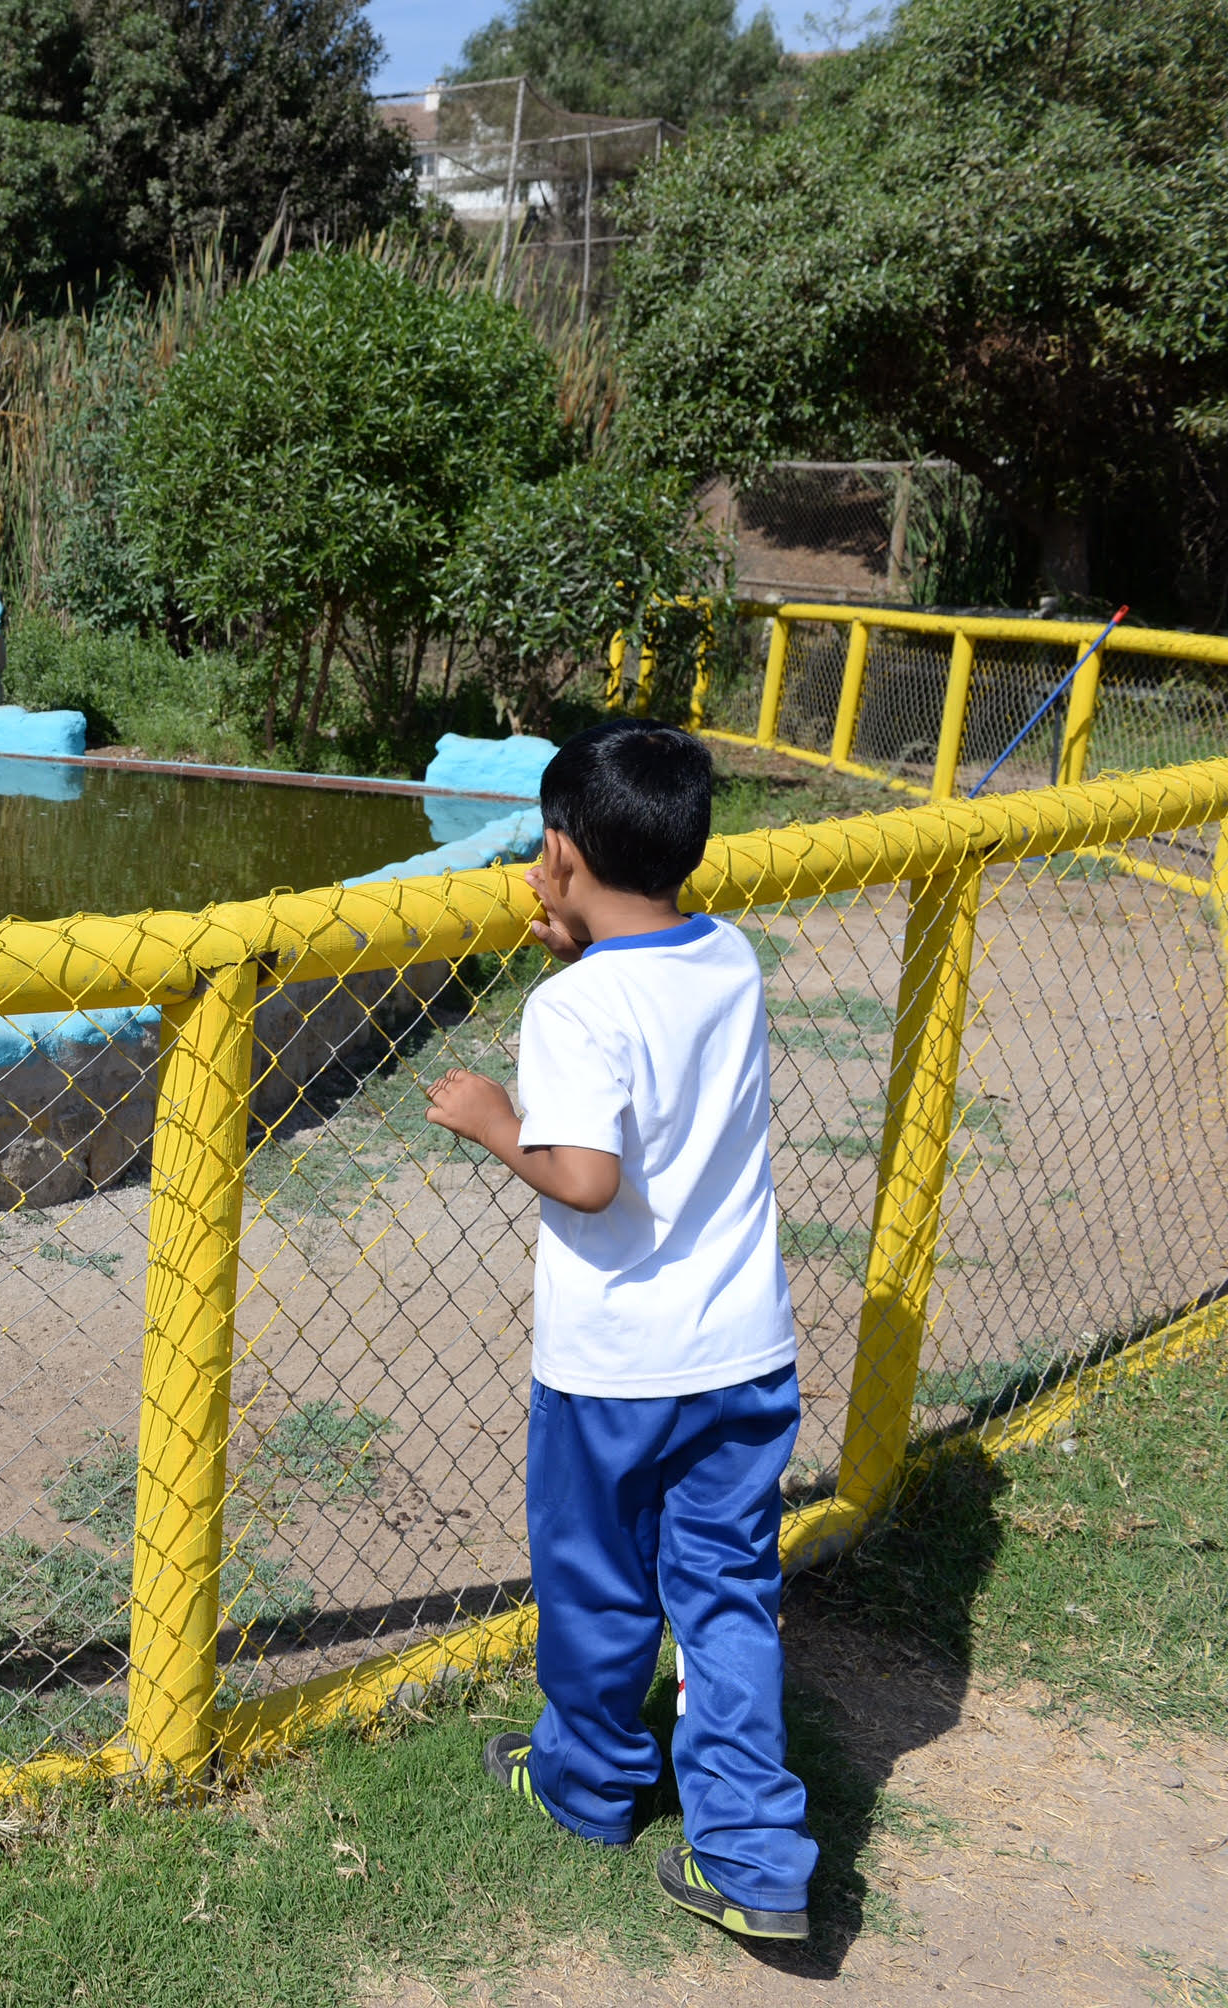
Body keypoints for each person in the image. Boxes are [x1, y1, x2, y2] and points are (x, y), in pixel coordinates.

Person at [423, 718, 818, 1941]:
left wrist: (493, 1120)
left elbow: (586, 1171)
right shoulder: (730, 956)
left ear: (553, 852)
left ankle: (591, 1784)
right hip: (742, 1358)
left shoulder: (574, 1011)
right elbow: (647, 1036)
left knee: (596, 1587)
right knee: (723, 1598)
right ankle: (754, 1862)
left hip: (612, 1375)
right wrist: (579, 947)